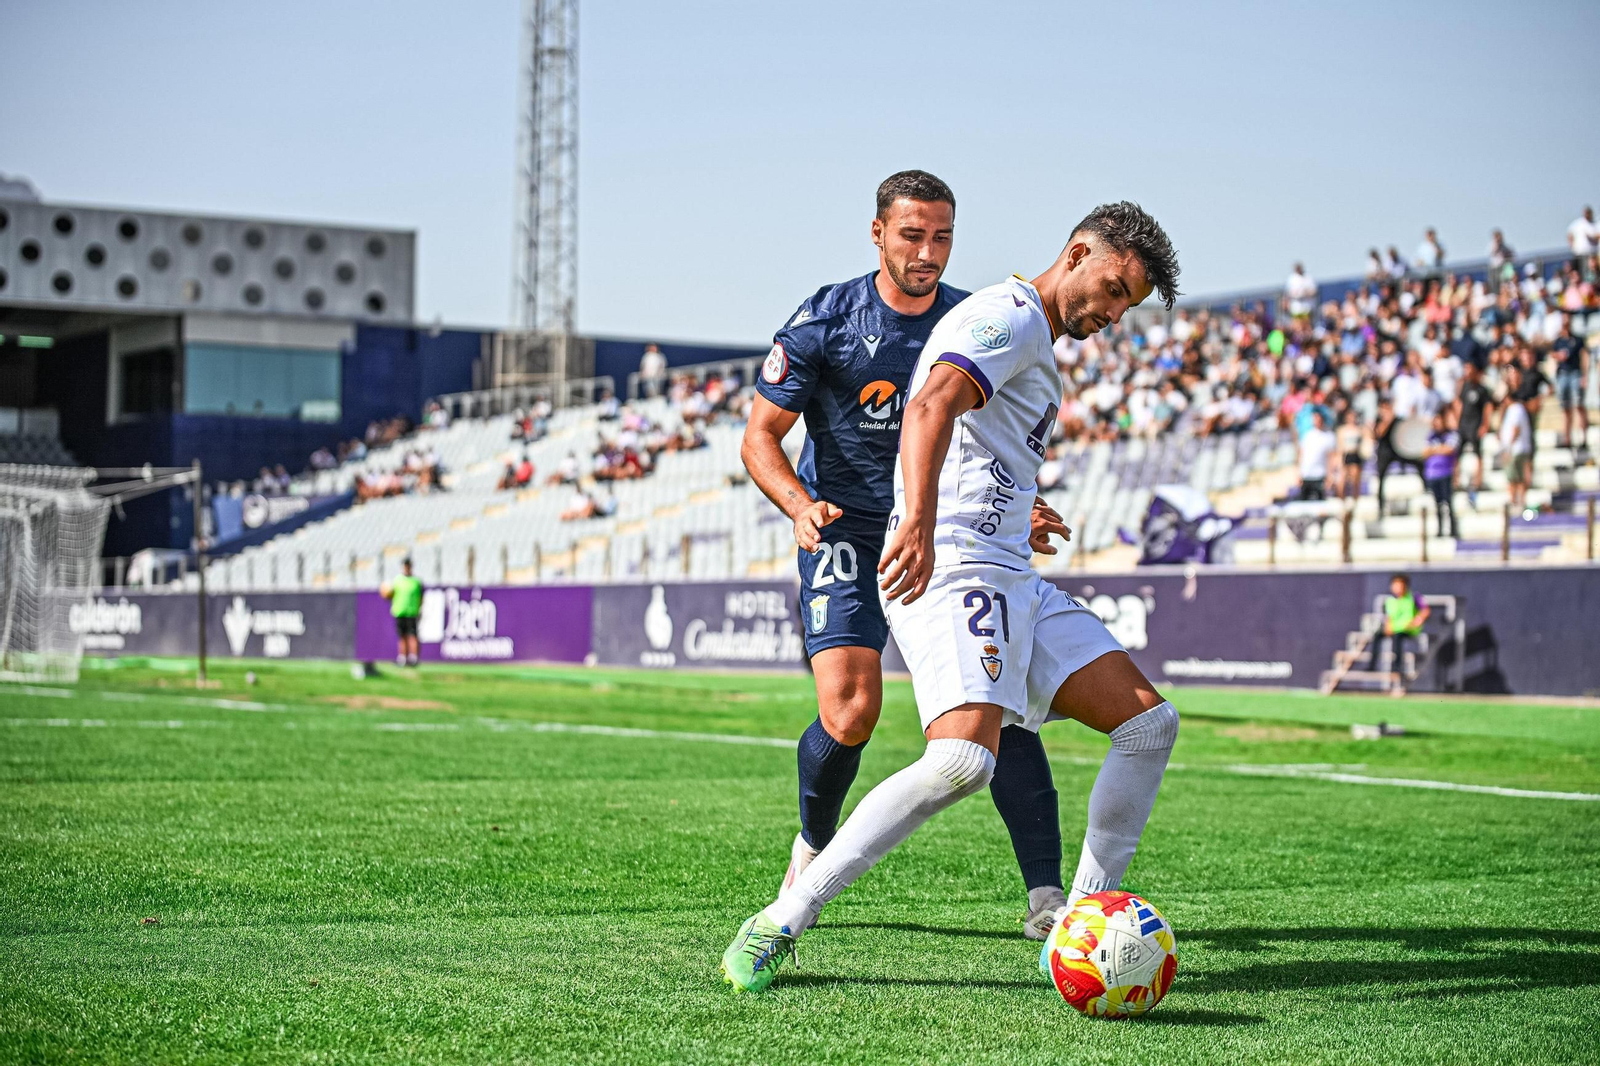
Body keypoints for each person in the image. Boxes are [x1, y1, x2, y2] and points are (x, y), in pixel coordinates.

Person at [722, 201, 1182, 992]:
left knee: (1147, 725)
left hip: (1007, 570)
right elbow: (931, 405)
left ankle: (1078, 926)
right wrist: (924, 524)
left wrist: (1016, 509)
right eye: (1111, 290)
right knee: (965, 759)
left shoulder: (1033, 337)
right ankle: (782, 919)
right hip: (958, 569)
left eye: (1125, 305)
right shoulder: (1008, 316)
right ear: (1076, 254)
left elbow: (981, 445)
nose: (1111, 314)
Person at [738, 170, 1074, 946]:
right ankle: (812, 848)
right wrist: (799, 504)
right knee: (850, 713)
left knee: (996, 707)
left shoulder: (975, 319)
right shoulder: (823, 319)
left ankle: (1049, 901)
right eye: (913, 235)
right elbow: (759, 438)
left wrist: (1020, 506)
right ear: (878, 233)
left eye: (942, 237)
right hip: (850, 532)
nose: (928, 252)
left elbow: (1000, 438)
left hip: (953, 532)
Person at [1378, 574, 1429, 697]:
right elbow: (1389, 617)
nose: (1397, 588)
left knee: (1398, 640)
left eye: (1399, 585)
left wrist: (1418, 620)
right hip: (1396, 630)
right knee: (1377, 636)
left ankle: (1397, 668)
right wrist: (1388, 627)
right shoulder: (1391, 600)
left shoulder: (1413, 597)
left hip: (1408, 631)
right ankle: (1372, 665)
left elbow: (1425, 610)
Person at [1454, 362, 1491, 506]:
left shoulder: (1482, 389)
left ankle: (1478, 480)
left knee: (1478, 454)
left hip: (1475, 426)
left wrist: (1485, 425)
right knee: (1457, 454)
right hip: (1463, 426)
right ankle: (1456, 480)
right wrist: (1457, 421)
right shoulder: (1464, 387)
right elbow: (1458, 403)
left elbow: (1487, 407)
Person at [1551, 317, 1589, 450]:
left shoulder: (1578, 340)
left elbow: (1585, 357)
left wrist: (1585, 376)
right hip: (1563, 374)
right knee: (1565, 408)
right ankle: (1567, 438)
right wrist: (1558, 356)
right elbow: (1553, 355)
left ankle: (1583, 438)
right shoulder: (1558, 341)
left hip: (1575, 373)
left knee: (1579, 405)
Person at [1421, 412, 1459, 538]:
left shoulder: (1450, 434)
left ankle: (1453, 530)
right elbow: (1424, 452)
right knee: (1436, 504)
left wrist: (1434, 449)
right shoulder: (1430, 436)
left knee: (1448, 503)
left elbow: (1450, 449)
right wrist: (1439, 449)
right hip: (1432, 474)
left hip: (1446, 473)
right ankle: (1440, 530)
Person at [381, 558, 423, 668]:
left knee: (413, 635)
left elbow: (421, 597)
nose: (407, 568)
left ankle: (414, 658)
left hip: (412, 612)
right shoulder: (397, 580)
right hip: (400, 611)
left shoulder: (416, 581)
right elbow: (390, 595)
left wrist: (420, 609)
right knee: (402, 636)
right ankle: (403, 658)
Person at [1500, 393, 1537, 515]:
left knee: (1513, 478)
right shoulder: (1519, 409)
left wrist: (1508, 449)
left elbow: (1516, 429)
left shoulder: (1515, 409)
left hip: (1516, 449)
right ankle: (1519, 503)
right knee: (1518, 477)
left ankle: (1515, 503)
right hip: (1520, 448)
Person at [1298, 408, 1336, 501]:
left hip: (1320, 475)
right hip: (1306, 475)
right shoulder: (1307, 435)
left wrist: (1330, 475)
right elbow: (1301, 454)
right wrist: (1299, 473)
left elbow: (1331, 457)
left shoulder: (1329, 436)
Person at [1335, 407, 1365, 502]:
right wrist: (1339, 460)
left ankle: (1355, 502)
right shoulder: (1342, 430)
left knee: (1355, 480)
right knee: (1342, 480)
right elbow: (1339, 446)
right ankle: (1342, 502)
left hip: (1355, 455)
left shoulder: (1360, 429)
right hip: (1346, 455)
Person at [1568, 206, 1598, 273]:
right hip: (1581, 254)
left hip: (1592, 253)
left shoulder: (1594, 223)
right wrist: (1572, 246)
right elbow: (1570, 233)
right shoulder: (1579, 223)